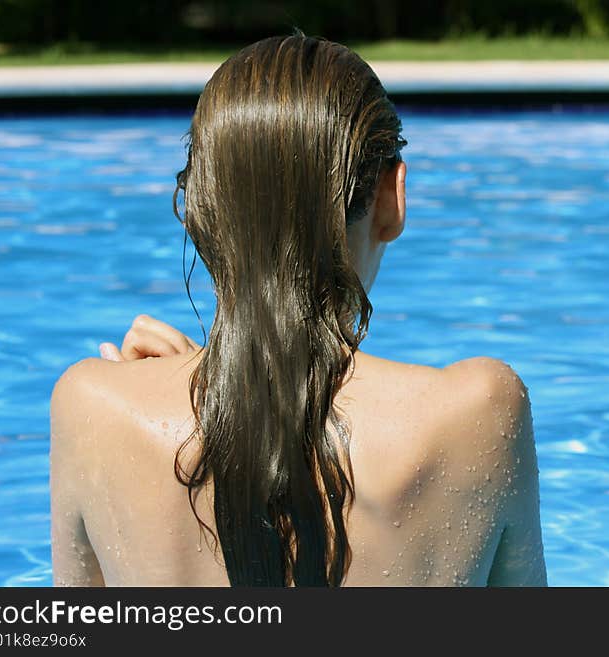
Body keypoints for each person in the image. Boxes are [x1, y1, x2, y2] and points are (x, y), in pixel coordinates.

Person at [50, 34, 546, 587]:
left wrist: (190, 391)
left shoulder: (90, 408)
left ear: (199, 210)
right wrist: (230, 394)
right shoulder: (479, 413)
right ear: (392, 198)